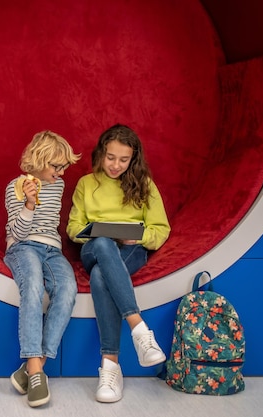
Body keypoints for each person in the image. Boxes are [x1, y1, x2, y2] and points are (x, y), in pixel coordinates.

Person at [66, 124, 171, 403]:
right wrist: (97, 230)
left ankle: (110, 366)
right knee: (101, 243)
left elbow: (160, 230)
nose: (115, 165)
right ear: (101, 153)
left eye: (124, 160)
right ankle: (138, 328)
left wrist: (138, 239)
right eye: (111, 157)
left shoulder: (144, 184)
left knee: (102, 276)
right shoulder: (87, 184)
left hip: (130, 251)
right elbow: (73, 228)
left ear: (133, 158)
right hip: (94, 247)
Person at [4, 131, 81, 407]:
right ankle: (36, 371)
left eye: (63, 167)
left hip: (52, 249)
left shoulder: (57, 186)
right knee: (33, 285)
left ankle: (32, 366)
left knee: (68, 289)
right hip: (22, 247)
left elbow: (50, 226)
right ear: (38, 160)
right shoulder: (15, 186)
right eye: (55, 167)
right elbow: (19, 232)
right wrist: (29, 203)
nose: (60, 173)